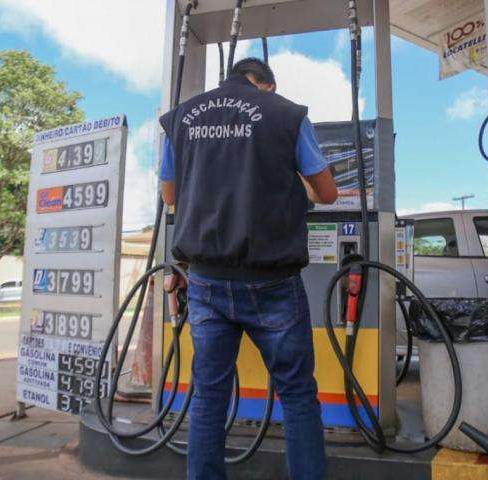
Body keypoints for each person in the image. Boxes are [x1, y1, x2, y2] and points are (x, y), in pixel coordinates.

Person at [158, 57, 338, 480]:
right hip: (271, 281)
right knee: (295, 392)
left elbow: (169, 195)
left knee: (209, 393)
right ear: (267, 86)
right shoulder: (286, 114)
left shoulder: (182, 118)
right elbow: (327, 193)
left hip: (205, 278)